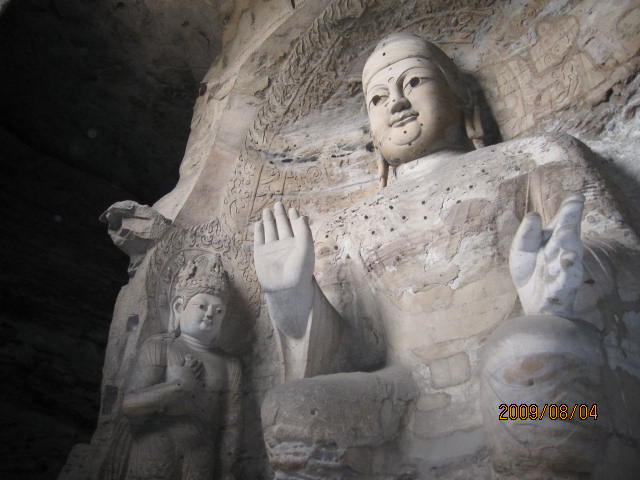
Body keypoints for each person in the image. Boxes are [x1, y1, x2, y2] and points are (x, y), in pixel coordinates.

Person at [254, 33, 640, 477]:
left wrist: (569, 277)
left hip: (521, 388)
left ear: (462, 98)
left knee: (531, 356)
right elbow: (356, 353)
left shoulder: (536, 156)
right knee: (292, 409)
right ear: (372, 134)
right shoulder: (347, 226)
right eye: (378, 98)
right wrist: (292, 299)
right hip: (405, 400)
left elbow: (620, 248)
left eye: (414, 82)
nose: (397, 103)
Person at [101, 253, 241, 480]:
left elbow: (231, 425)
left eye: (218, 311)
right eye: (202, 306)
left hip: (201, 456)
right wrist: (177, 387)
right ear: (178, 307)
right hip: (156, 448)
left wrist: (227, 469)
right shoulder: (160, 347)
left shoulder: (229, 366)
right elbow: (129, 404)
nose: (210, 314)